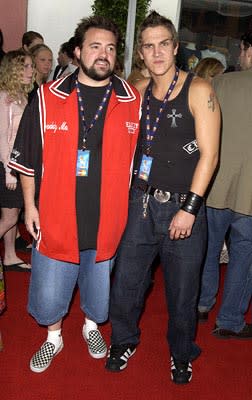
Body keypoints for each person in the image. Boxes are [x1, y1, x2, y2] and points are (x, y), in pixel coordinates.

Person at [9, 15, 141, 373]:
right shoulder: (48, 97)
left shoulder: (132, 101)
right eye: (95, 46)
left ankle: (90, 326)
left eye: (111, 48)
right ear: (79, 51)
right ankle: (53, 337)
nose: (103, 54)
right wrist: (30, 206)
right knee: (50, 290)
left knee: (98, 290)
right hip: (56, 213)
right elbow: (28, 157)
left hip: (108, 218)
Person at [105, 11, 220, 385]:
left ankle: (181, 353)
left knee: (183, 292)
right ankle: (123, 341)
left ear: (176, 47)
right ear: (141, 52)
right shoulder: (136, 90)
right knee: (126, 283)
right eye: (149, 46)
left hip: (183, 207)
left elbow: (210, 155)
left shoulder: (199, 89)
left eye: (163, 44)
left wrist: (189, 209)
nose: (157, 52)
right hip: (140, 203)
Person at [197, 31, 252, 337]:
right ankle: (230, 321)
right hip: (250, 196)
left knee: (207, 249)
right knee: (245, 257)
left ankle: (202, 305)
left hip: (215, 185)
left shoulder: (220, 84)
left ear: (247, 50)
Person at [0, 49, 34, 271]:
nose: (31, 71)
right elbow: (2, 137)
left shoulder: (20, 95)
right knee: (11, 218)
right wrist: (9, 171)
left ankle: (10, 255)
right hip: (8, 167)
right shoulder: (4, 97)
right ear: (14, 70)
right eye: (26, 67)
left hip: (15, 165)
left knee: (11, 214)